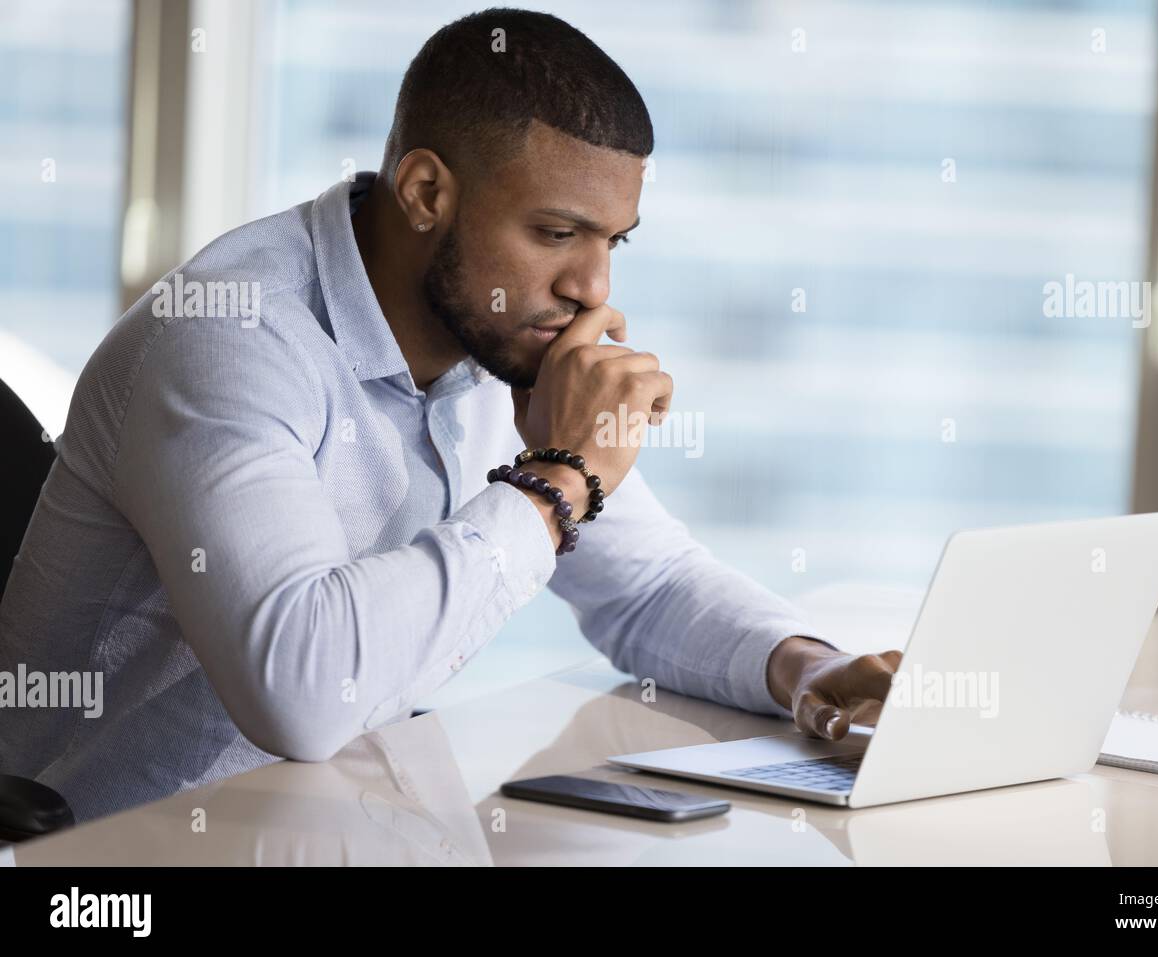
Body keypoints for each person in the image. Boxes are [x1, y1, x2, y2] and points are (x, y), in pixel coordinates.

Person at [0, 8, 900, 823]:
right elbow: (303, 693)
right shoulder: (229, 337)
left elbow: (649, 583)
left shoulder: (495, 341)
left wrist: (804, 667)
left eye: (611, 240)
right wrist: (554, 479)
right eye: (556, 234)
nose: (593, 287)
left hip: (335, 830)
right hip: (115, 862)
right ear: (427, 193)